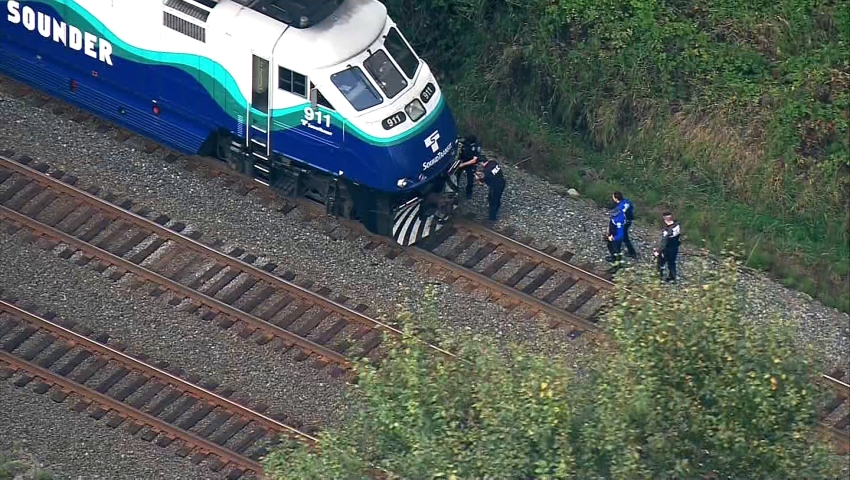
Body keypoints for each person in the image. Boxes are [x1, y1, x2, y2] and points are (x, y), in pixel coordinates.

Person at [475, 155, 505, 222]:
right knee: (495, 198)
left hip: (495, 186)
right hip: (501, 182)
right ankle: (496, 208)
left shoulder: (486, 172)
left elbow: (481, 182)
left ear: (481, 163)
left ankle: (492, 218)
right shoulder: (493, 162)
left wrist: (477, 178)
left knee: (493, 201)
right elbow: (489, 173)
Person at [653, 211, 681, 283]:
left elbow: (664, 242)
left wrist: (658, 251)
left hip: (667, 249)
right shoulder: (677, 225)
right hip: (675, 247)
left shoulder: (667, 231)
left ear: (664, 218)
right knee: (672, 263)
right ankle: (672, 277)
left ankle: (660, 277)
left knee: (661, 262)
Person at [610, 191, 637, 258]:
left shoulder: (619, 207)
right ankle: (631, 252)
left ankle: (617, 254)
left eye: (613, 197)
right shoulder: (626, 201)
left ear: (616, 199)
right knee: (625, 236)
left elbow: (618, 216)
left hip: (623, 222)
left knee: (620, 236)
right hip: (629, 220)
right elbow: (632, 208)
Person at [455, 135, 482, 199]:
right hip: (463, 159)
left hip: (471, 163)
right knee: (456, 175)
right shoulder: (465, 142)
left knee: (470, 180)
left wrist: (463, 164)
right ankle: (455, 188)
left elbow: (474, 160)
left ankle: (469, 192)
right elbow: (459, 141)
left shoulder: (477, 147)